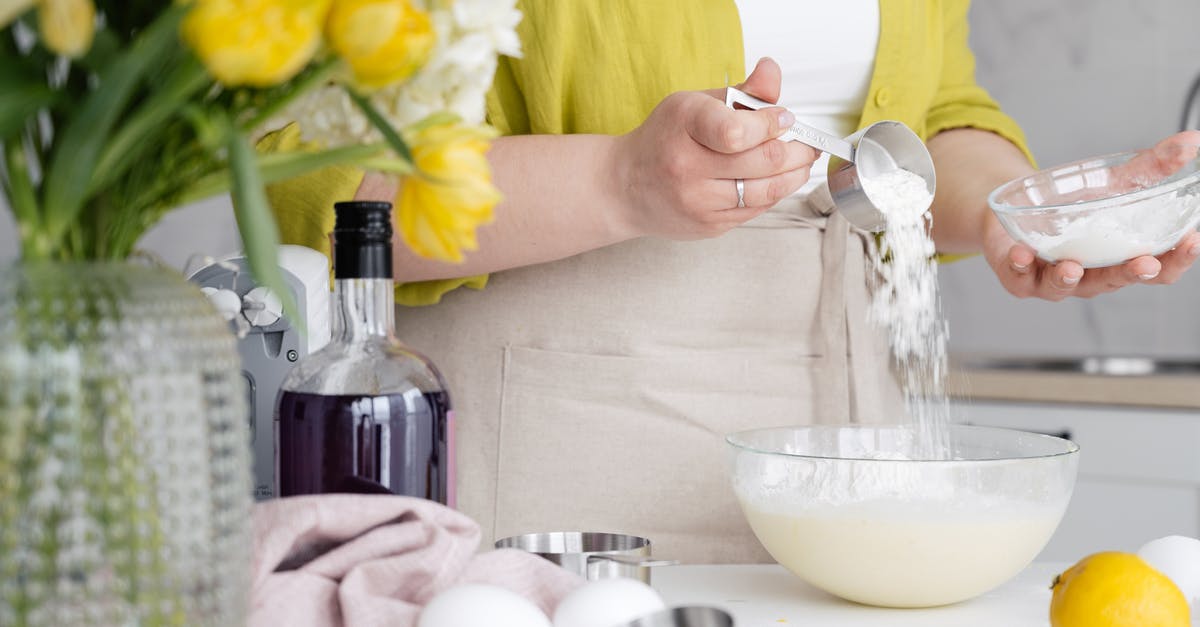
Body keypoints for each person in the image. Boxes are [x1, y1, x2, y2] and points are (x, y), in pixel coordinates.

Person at [270, 0, 1200, 563]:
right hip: (567, 457)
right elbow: (304, 181)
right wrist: (616, 181)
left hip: (852, 444)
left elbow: (941, 113)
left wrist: (1016, 209)